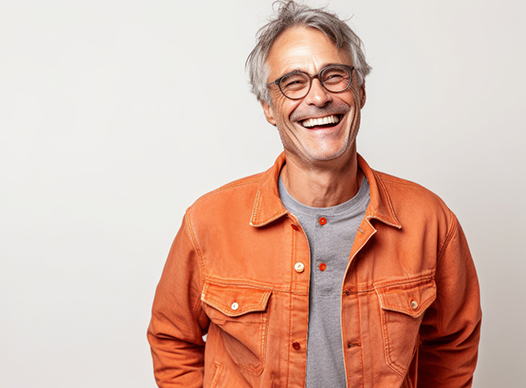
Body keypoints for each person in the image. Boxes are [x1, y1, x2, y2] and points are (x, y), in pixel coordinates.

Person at [147, 1, 482, 387]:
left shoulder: (430, 220)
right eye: (293, 82)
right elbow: (172, 337)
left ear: (361, 90)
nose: (319, 97)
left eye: (334, 76)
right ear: (268, 107)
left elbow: (453, 344)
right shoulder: (208, 221)